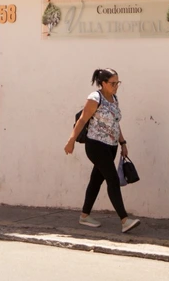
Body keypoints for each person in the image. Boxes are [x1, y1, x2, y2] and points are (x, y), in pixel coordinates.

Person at [65, 67, 140, 233]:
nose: (116, 86)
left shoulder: (114, 98)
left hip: (111, 147)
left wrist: (123, 143)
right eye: (113, 83)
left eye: (117, 82)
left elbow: (115, 123)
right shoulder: (94, 98)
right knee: (112, 179)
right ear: (103, 83)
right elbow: (83, 120)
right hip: (96, 146)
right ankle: (124, 220)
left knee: (96, 180)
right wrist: (71, 141)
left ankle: (84, 216)